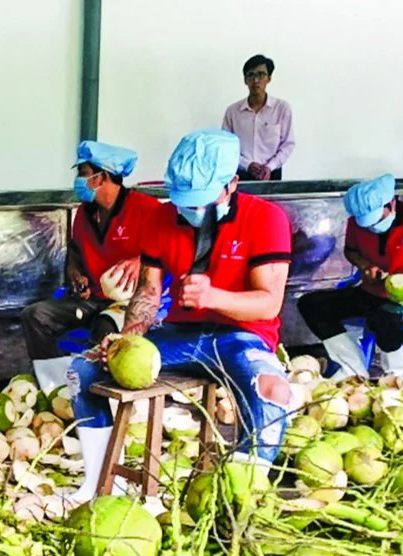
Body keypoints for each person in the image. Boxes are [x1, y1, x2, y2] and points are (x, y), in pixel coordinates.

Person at [65, 129, 293, 503]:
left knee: (274, 391)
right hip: (180, 337)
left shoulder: (266, 219)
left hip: (242, 338)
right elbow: (148, 292)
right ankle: (101, 484)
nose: (190, 211)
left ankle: (238, 495)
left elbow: (268, 303)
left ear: (232, 184)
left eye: (200, 201)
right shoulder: (163, 218)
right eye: (184, 201)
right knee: (82, 370)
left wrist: (213, 296)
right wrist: (129, 339)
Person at [21, 140, 161, 393]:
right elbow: (75, 250)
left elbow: (171, 248)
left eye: (83, 173)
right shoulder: (85, 213)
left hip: (128, 303)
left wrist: (140, 259)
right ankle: (57, 389)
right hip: (93, 298)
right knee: (35, 315)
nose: (78, 180)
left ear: (102, 177)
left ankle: (97, 396)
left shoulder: (146, 209)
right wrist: (75, 271)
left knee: (105, 328)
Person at [297, 174, 403, 379]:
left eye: (377, 219)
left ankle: (396, 377)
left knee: (384, 317)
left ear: (392, 202)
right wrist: (365, 266)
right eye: (366, 223)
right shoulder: (355, 223)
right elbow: (351, 252)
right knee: (311, 304)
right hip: (370, 291)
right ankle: (353, 368)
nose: (372, 226)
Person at [221, 54, 295, 182]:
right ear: (245, 80)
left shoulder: (282, 108)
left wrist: (270, 167)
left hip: (271, 174)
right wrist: (247, 165)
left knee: (270, 203)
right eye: (251, 75)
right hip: (241, 173)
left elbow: (288, 144)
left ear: (269, 78)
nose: (256, 80)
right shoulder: (232, 112)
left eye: (261, 75)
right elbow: (225, 147)